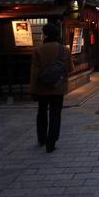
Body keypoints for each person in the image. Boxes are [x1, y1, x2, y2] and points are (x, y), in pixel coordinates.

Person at [30, 23, 74, 153]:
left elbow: (34, 73)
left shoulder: (38, 50)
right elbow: (70, 69)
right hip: (57, 88)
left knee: (42, 112)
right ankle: (51, 142)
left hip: (42, 88)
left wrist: (33, 90)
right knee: (55, 114)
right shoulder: (64, 50)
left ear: (45, 35)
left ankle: (42, 138)